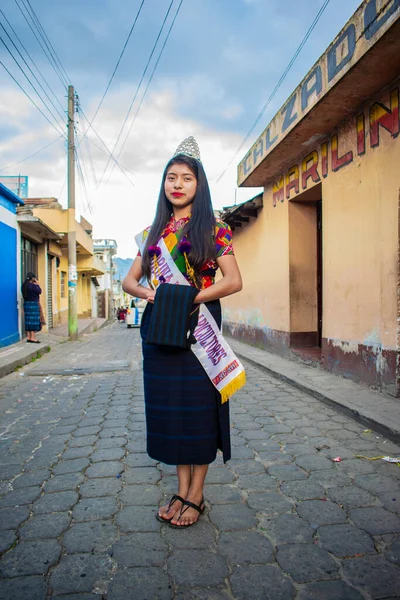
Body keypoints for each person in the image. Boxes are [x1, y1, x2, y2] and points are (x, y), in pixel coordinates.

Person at [122, 136, 244, 528]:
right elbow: (129, 281)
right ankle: (180, 488)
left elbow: (234, 281)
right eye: (171, 178)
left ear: (199, 184)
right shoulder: (152, 231)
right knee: (172, 411)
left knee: (198, 410)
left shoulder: (215, 228)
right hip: (161, 329)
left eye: (186, 178)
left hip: (199, 327)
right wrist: (151, 295)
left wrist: (192, 298)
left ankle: (197, 495)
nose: (177, 184)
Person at [21, 272, 42, 343]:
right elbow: (39, 291)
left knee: (28, 320)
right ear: (33, 278)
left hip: (26, 304)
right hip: (33, 305)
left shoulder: (24, 285)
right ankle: (32, 337)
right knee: (33, 320)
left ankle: (28, 337)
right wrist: (37, 284)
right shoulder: (33, 286)